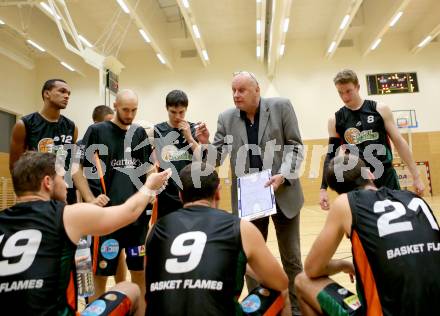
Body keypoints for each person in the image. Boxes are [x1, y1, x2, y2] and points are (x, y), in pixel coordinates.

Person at [0, 151, 170, 315]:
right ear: (47, 182)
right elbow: (129, 212)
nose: (67, 184)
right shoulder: (67, 214)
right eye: (61, 177)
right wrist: (149, 186)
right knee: (130, 289)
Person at [196, 71, 304, 315]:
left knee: (292, 259)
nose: (236, 95)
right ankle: (259, 309)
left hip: (283, 191)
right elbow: (215, 159)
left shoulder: (281, 106)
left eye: (241, 90)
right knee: (251, 259)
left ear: (257, 90)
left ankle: (297, 309)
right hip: (250, 200)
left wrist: (284, 175)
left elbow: (295, 146)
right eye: (233, 90)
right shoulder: (226, 118)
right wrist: (205, 143)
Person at [295, 155, 440, 315]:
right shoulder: (413, 198)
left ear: (338, 191)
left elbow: (312, 269)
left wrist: (344, 265)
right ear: (370, 174)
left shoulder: (345, 202)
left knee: (303, 280)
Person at [145, 162, 290, 315]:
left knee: (134, 290)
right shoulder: (241, 227)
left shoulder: (155, 230)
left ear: (180, 195)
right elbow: (281, 282)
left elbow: (149, 290)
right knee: (281, 292)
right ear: (218, 192)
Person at [73, 89, 152, 310]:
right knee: (100, 273)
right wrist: (89, 198)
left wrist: (150, 193)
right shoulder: (96, 131)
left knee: (139, 273)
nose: (130, 114)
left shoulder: (139, 134)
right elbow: (76, 167)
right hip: (106, 216)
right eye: (125, 109)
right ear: (115, 105)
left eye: (134, 110)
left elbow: (148, 170)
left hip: (136, 217)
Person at [319, 69, 425, 210]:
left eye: (349, 91)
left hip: (385, 175)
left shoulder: (379, 109)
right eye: (340, 92)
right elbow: (331, 155)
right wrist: (323, 189)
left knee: (396, 218)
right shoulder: (335, 120)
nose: (345, 97)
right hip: (357, 180)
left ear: (358, 87)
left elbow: (399, 142)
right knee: (365, 227)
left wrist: (416, 176)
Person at [153, 89, 202, 218]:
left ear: (186, 109)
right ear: (166, 109)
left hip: (190, 193)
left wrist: (190, 137)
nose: (177, 117)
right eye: (173, 112)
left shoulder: (192, 128)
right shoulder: (158, 130)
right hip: (166, 194)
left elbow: (202, 158)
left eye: (181, 112)